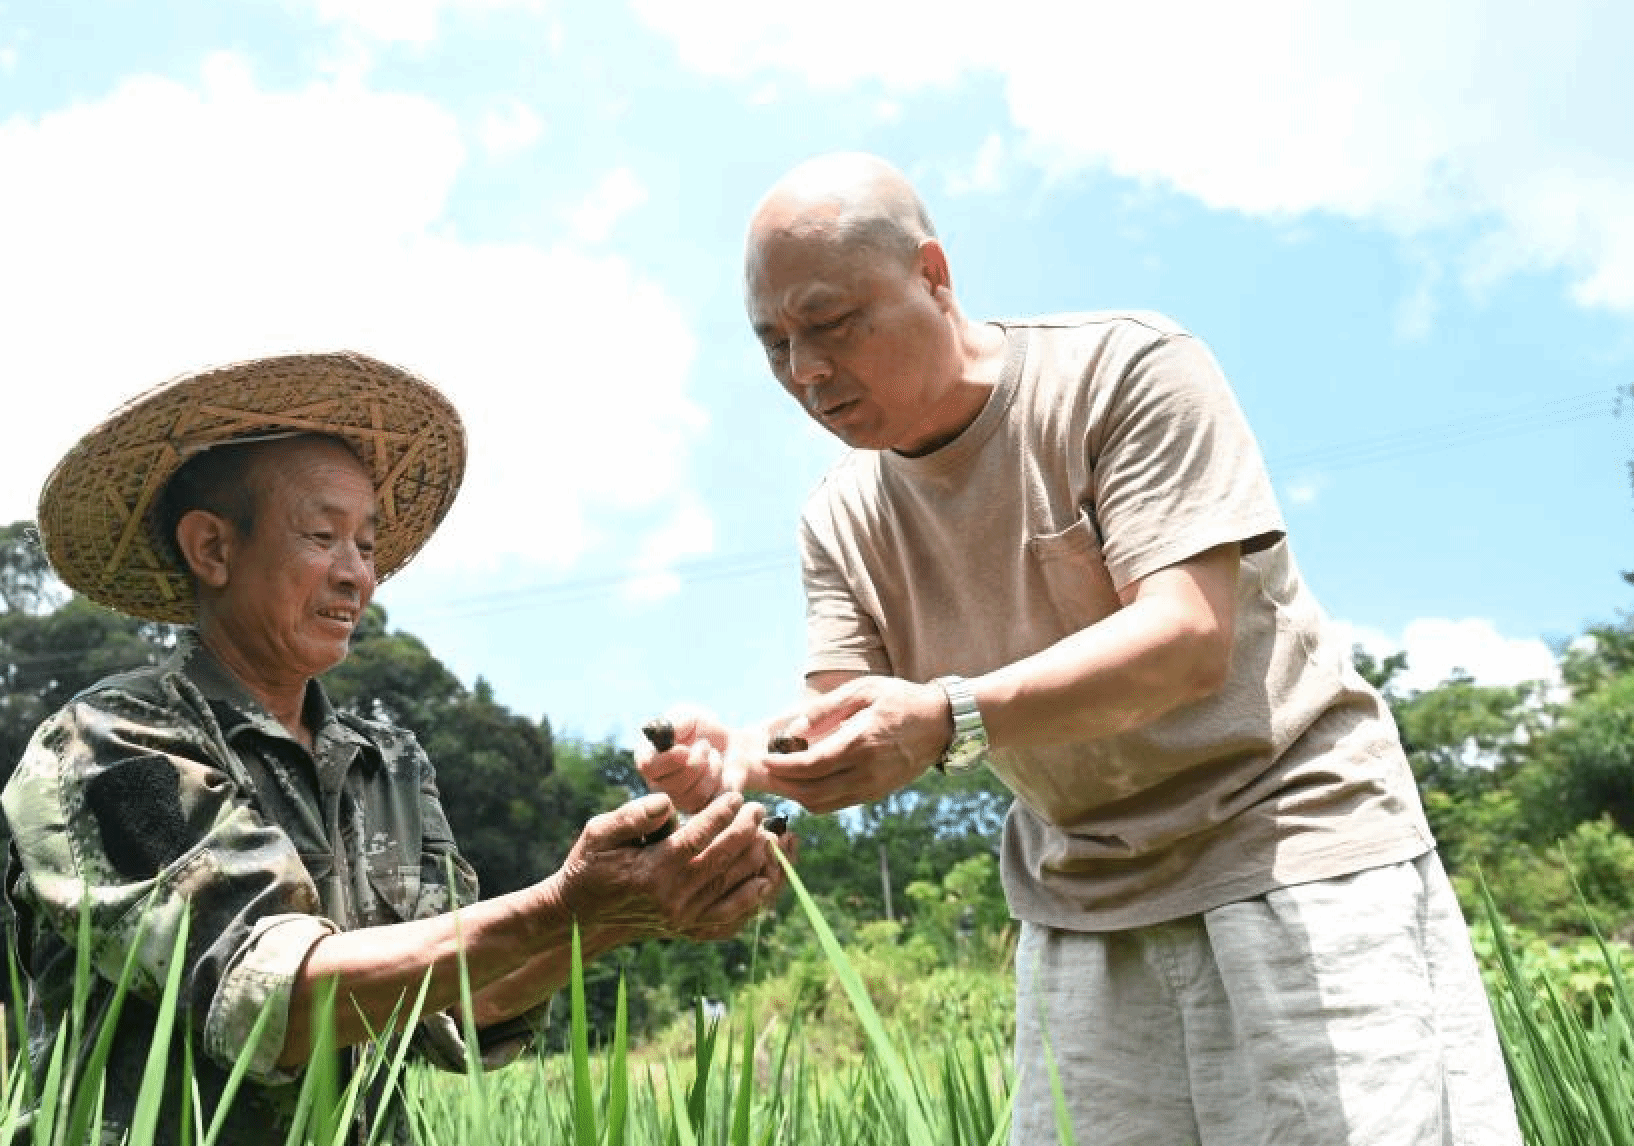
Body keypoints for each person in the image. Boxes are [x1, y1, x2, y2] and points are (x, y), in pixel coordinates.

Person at [637, 154, 1522, 1145]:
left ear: (931, 274)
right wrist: (738, 761)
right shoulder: (838, 519)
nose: (805, 372)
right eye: (774, 344)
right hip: (1085, 901)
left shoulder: (1123, 372)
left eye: (831, 324)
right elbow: (855, 729)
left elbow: (1185, 639)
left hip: (1291, 852)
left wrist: (950, 716)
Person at [3, 351, 787, 1146]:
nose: (357, 577)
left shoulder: (390, 765)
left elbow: (451, 1004)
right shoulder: (112, 743)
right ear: (212, 548)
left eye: (368, 547)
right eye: (322, 536)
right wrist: (561, 904)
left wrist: (622, 911)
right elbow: (272, 996)